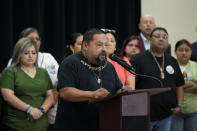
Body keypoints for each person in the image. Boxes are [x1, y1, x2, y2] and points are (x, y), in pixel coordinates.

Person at [54, 28, 131, 131]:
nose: (104, 49)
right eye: (99, 45)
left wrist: (123, 91)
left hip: (102, 125)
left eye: (106, 45)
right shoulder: (70, 63)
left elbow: (116, 90)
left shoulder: (109, 66)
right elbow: (65, 92)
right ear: (85, 46)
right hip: (73, 127)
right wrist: (92, 94)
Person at [130, 27, 184, 131]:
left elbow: (179, 84)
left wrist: (180, 104)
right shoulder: (138, 59)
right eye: (157, 36)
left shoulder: (172, 60)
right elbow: (131, 85)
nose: (161, 39)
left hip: (167, 115)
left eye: (165, 37)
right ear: (149, 39)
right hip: (145, 115)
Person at [7, 27, 59, 128]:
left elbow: (59, 84)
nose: (35, 41)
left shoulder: (48, 57)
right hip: (25, 115)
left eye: (37, 39)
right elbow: (9, 92)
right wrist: (30, 109)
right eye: (31, 39)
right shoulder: (14, 61)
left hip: (50, 114)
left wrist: (44, 108)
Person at [171, 39, 197, 131]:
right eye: (181, 50)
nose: (184, 53)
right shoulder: (170, 65)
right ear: (175, 52)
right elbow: (170, 87)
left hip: (193, 111)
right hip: (175, 110)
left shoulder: (195, 65)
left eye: (187, 50)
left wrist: (179, 88)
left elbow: (175, 87)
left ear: (191, 51)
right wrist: (191, 83)